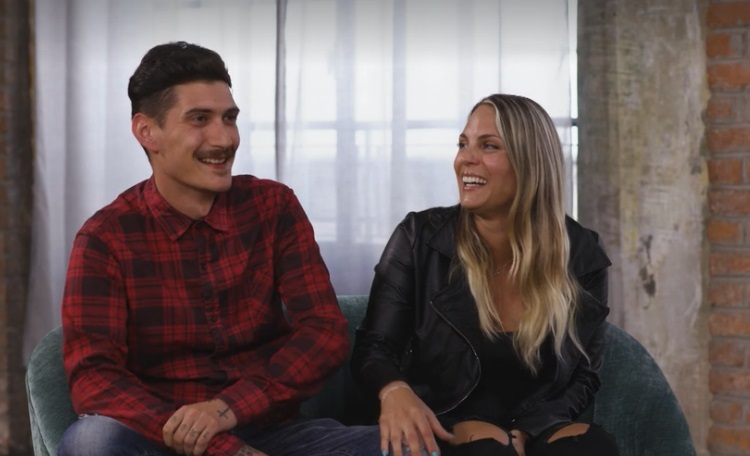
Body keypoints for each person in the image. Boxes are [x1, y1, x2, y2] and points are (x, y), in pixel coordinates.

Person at [58, 41, 380, 456]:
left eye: (229, 118)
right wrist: (220, 447)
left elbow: (324, 333)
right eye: (200, 119)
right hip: (160, 439)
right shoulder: (104, 238)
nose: (224, 138)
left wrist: (227, 410)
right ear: (146, 131)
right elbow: (94, 379)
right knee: (90, 442)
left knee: (414, 446)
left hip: (275, 434)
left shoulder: (274, 206)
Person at [351, 94, 620, 456]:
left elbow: (585, 373)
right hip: (445, 416)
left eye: (488, 146)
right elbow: (374, 348)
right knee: (489, 451)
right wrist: (393, 390)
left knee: (591, 448)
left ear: (530, 162)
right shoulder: (419, 237)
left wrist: (528, 431)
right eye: (463, 144)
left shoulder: (582, 253)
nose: (465, 159)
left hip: (539, 422)